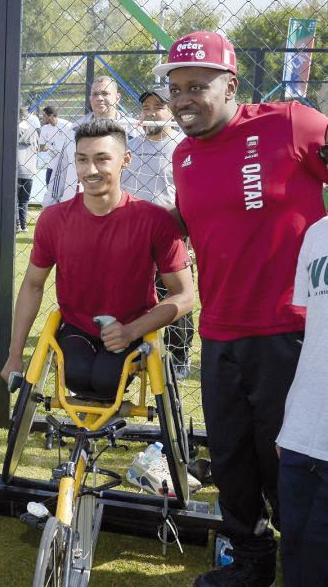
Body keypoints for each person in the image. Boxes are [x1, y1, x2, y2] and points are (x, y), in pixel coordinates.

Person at [152, 31, 328, 587]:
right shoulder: (182, 156)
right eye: (175, 88)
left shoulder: (291, 124)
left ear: (231, 85)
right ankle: (249, 564)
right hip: (219, 332)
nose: (183, 100)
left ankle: (302, 562)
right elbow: (192, 226)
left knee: (286, 460)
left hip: (290, 332)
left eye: (197, 86)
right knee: (231, 458)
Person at [1, 120, 193, 404]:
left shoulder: (154, 220)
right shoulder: (53, 220)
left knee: (106, 379)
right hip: (78, 326)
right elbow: (32, 285)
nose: (90, 170)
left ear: (125, 160)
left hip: (132, 325)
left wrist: (132, 331)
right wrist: (14, 355)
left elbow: (185, 296)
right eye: (82, 160)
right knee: (77, 375)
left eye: (102, 159)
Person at [121, 87, 193, 378]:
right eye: (146, 108)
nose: (151, 113)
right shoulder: (132, 146)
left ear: (170, 111)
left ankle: (179, 355)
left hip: (169, 233)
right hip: (132, 234)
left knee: (173, 295)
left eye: (158, 107)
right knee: (130, 295)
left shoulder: (182, 147)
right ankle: (133, 347)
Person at [277, 215, 328, 587]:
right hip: (302, 435)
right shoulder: (317, 233)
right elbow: (314, 334)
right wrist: (292, 421)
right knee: (295, 555)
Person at [45, 76, 139, 207]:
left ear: (117, 97)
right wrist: (51, 202)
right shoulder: (74, 130)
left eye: (105, 93)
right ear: (90, 99)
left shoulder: (135, 131)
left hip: (122, 209)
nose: (99, 98)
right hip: (78, 208)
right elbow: (61, 170)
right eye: (95, 94)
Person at [17, 107, 41, 230]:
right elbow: (39, 148)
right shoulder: (34, 131)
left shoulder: (14, 130)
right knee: (24, 200)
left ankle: (16, 224)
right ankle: (24, 225)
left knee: (15, 200)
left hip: (16, 170)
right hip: (30, 170)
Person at [38, 106, 73, 186]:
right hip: (52, 163)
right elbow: (41, 147)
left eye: (44, 115)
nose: (42, 117)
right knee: (48, 184)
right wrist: (51, 149)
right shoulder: (45, 129)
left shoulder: (67, 126)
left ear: (50, 116)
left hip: (66, 163)